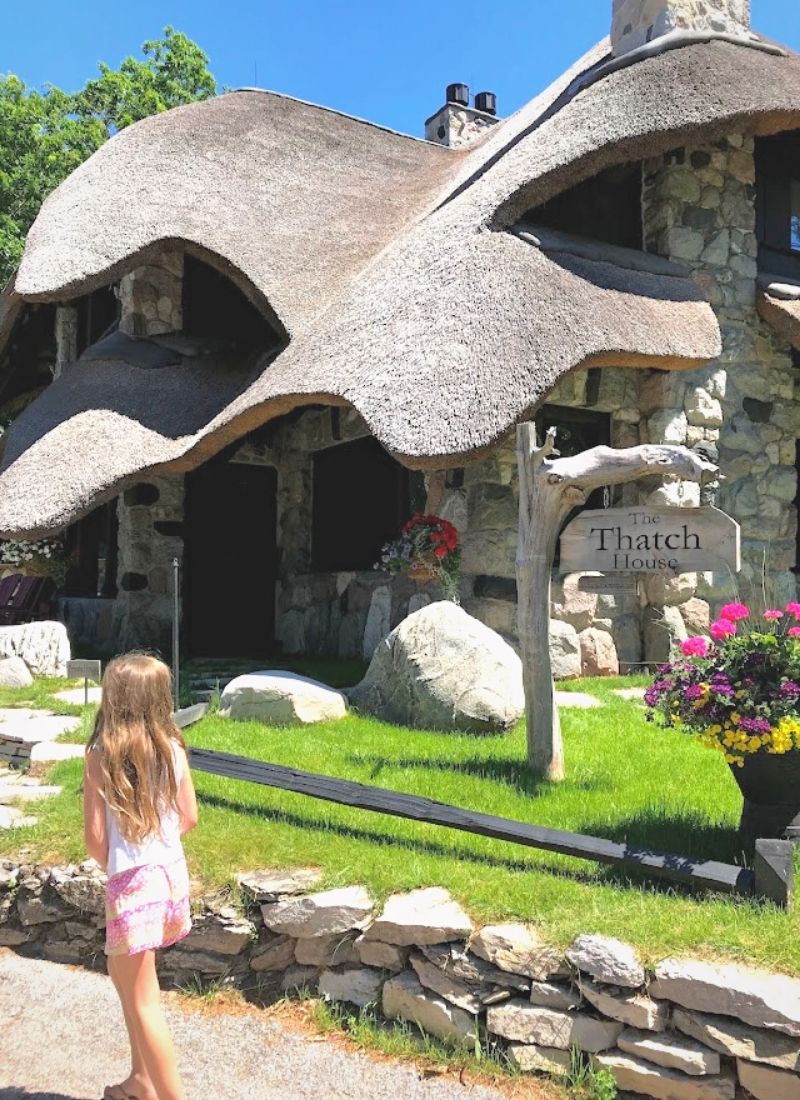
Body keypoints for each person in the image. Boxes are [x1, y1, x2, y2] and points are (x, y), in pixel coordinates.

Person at [83, 653, 199, 1100]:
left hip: (133, 884)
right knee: (122, 973)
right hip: (170, 879)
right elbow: (189, 816)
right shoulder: (173, 747)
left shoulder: (99, 755)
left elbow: (96, 840)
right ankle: (140, 1080)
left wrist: (126, 863)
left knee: (143, 998)